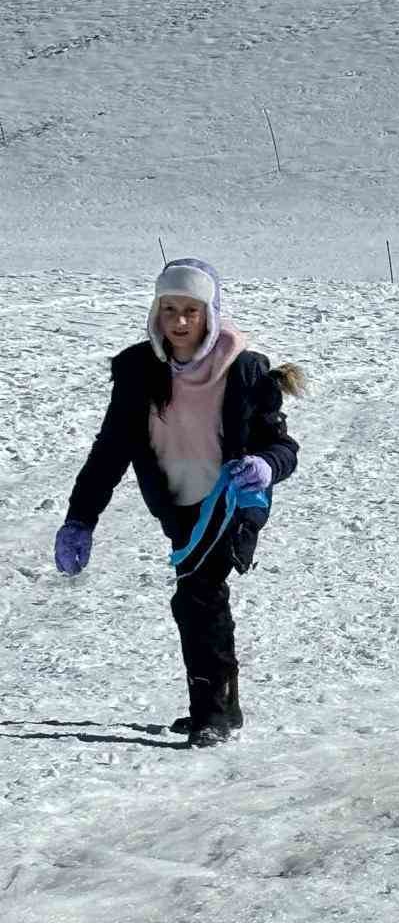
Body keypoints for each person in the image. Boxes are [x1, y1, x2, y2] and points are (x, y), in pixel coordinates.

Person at [53, 258, 303, 746]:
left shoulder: (245, 370)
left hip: (229, 501)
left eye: (191, 310)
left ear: (210, 314)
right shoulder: (137, 370)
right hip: (176, 504)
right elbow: (110, 451)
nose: (179, 321)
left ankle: (213, 714)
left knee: (197, 595)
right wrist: (80, 519)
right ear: (156, 312)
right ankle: (220, 709)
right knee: (197, 597)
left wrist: (267, 465)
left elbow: (282, 447)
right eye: (169, 309)